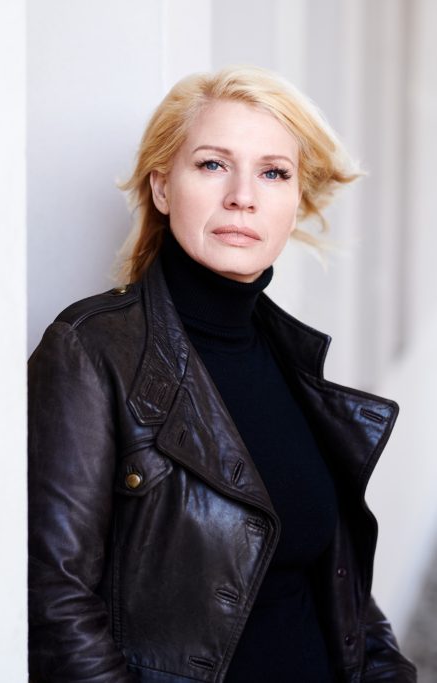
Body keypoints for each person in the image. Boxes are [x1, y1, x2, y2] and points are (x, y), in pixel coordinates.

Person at [28, 66, 417, 682]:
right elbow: (55, 602)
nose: (243, 196)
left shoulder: (292, 358)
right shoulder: (89, 350)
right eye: (212, 164)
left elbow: (340, 587)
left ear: (296, 200)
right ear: (162, 187)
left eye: (273, 172)